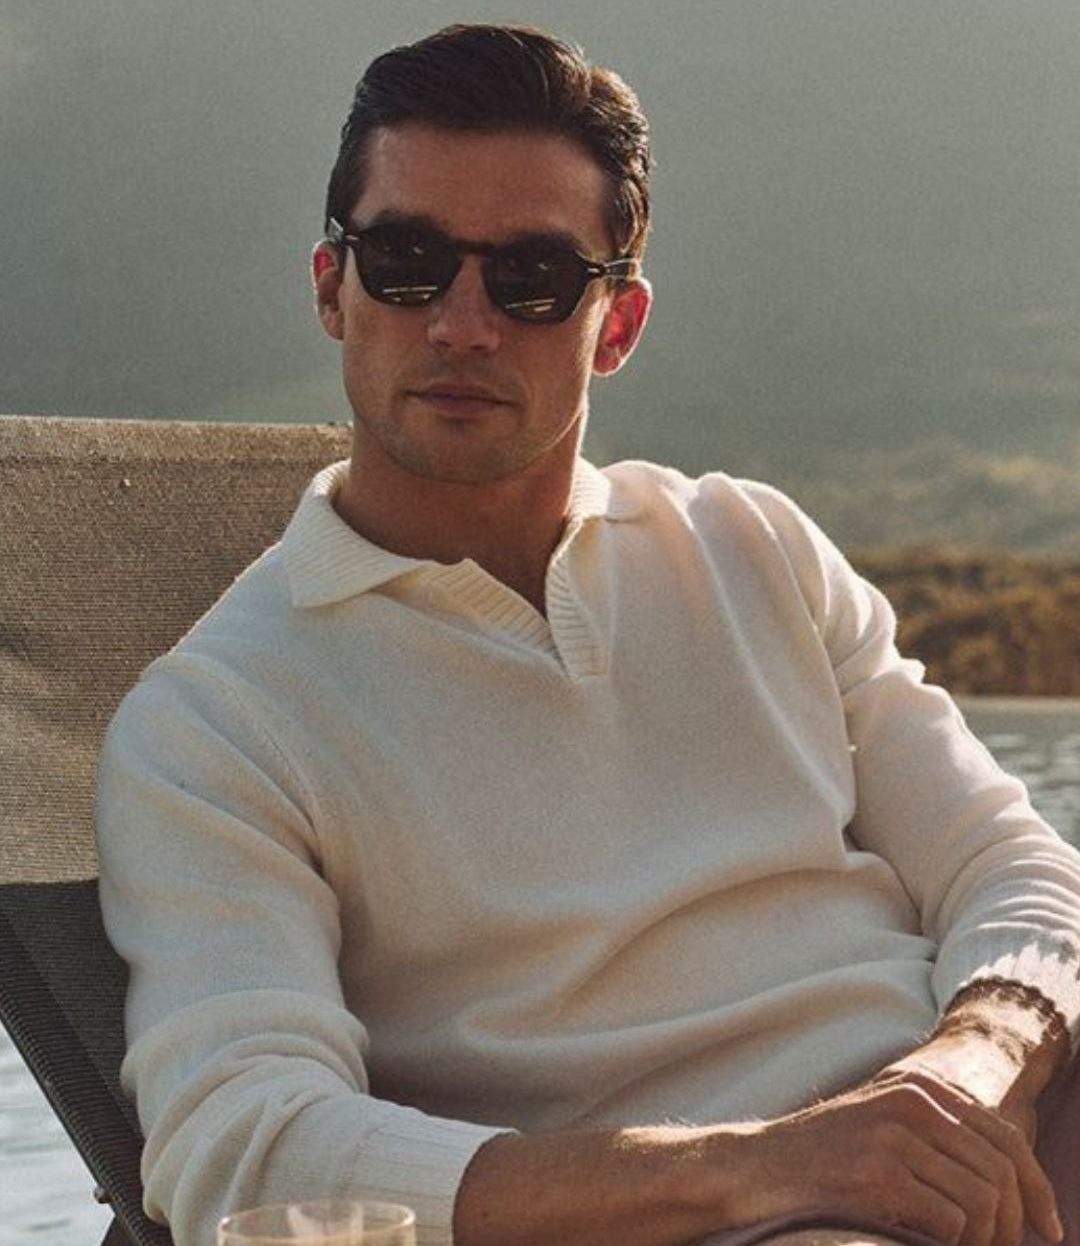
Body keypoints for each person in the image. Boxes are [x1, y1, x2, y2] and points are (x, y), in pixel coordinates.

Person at [95, 23, 1080, 1246]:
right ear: (331, 288)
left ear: (615, 325)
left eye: (532, 278)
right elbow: (248, 1151)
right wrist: (777, 1168)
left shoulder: (751, 547)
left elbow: (1015, 868)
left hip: (988, 1136)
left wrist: (967, 1073)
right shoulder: (219, 720)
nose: (461, 322)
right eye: (407, 261)